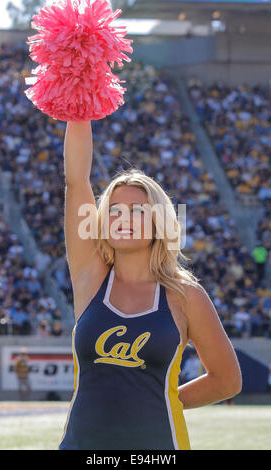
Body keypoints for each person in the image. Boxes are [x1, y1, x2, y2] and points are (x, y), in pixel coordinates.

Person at [59, 121, 242, 451]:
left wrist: (167, 401)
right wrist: (79, 106)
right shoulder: (91, 278)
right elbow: (76, 181)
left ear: (159, 221)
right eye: (114, 210)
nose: (123, 218)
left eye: (137, 210)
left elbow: (227, 380)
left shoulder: (185, 296)